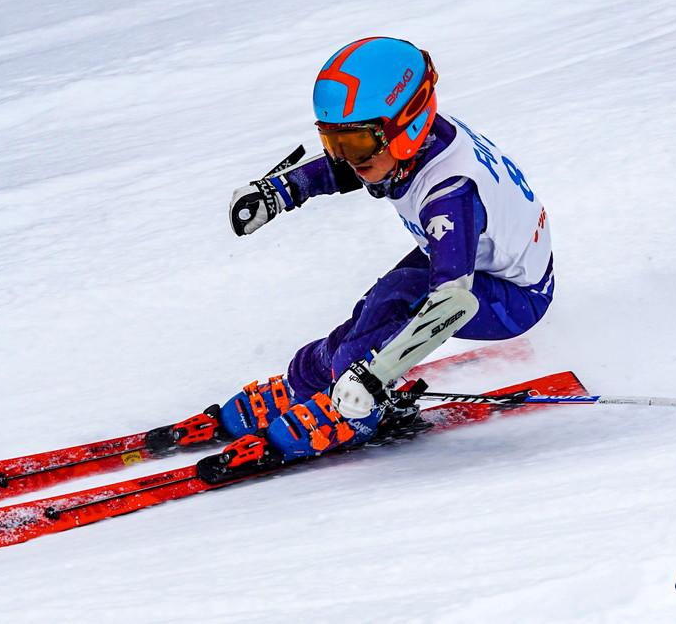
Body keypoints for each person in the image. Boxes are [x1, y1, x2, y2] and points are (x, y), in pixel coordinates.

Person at [207, 37, 554, 478]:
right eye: (334, 143)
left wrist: (375, 376)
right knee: (374, 310)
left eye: (355, 145)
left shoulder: (450, 195)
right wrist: (282, 190)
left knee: (396, 302)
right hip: (476, 262)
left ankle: (360, 411)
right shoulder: (409, 146)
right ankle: (308, 379)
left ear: (406, 127)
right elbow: (352, 165)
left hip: (514, 298)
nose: (346, 160)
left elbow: (454, 304)